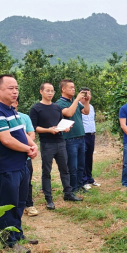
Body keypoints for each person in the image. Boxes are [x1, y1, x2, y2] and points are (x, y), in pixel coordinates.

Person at [0, 75, 38, 253]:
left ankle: (18, 234)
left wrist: (33, 145)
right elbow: (6, 140)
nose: (15, 91)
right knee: (8, 204)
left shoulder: (12, 111)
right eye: (10, 88)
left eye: (16, 88)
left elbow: (21, 133)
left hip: (21, 165)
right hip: (7, 167)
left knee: (20, 202)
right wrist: (27, 149)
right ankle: (8, 242)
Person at [30, 83, 82, 211]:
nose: (50, 93)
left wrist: (66, 128)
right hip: (47, 143)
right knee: (46, 172)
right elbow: (34, 128)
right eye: (47, 90)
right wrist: (48, 130)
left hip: (60, 141)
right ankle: (49, 199)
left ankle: (68, 193)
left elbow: (59, 123)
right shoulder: (36, 108)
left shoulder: (56, 107)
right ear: (41, 91)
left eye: (52, 91)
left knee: (65, 169)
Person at [56, 79, 90, 194]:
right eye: (70, 87)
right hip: (70, 139)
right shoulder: (60, 103)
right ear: (63, 89)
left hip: (81, 137)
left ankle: (80, 185)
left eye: (74, 87)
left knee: (81, 165)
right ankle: (72, 188)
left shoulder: (74, 102)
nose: (73, 89)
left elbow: (86, 112)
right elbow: (69, 113)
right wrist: (77, 100)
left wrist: (86, 101)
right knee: (72, 166)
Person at [12, 98, 38, 217]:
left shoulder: (24, 117)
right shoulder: (0, 116)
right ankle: (14, 205)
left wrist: (26, 145)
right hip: (11, 156)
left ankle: (29, 205)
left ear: (16, 103)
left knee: (27, 181)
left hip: (25, 155)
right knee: (12, 183)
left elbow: (31, 134)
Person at [80, 87, 101, 189]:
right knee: (82, 158)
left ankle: (90, 178)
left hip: (91, 135)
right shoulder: (77, 107)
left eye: (89, 94)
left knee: (89, 157)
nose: (88, 96)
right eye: (85, 94)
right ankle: (84, 181)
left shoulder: (91, 107)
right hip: (83, 135)